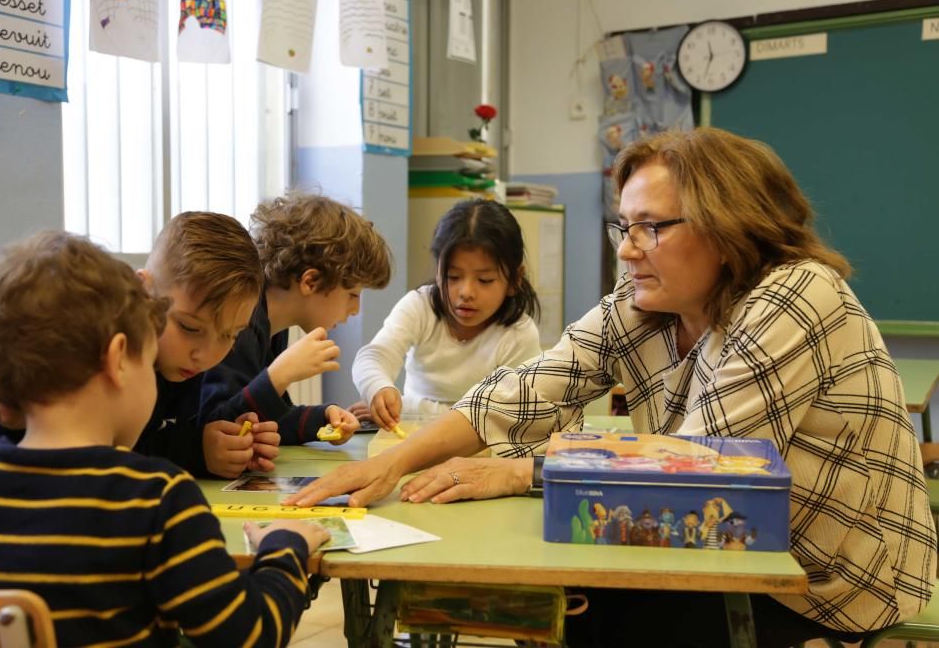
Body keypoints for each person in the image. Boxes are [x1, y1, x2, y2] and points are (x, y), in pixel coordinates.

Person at [290, 127, 937, 646]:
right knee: (570, 606)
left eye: (650, 227)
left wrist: (521, 471)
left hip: (829, 583)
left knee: (599, 615)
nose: (628, 250)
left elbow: (701, 472)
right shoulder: (645, 300)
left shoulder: (793, 296)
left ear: (726, 224)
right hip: (721, 557)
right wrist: (392, 464)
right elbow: (527, 388)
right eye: (623, 227)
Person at [0, 231, 329, 646]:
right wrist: (285, 548)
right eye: (147, 361)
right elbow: (251, 634)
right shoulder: (158, 499)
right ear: (118, 359)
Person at [0, 212, 269, 479]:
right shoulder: (87, 358)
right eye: (188, 327)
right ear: (144, 288)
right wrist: (195, 451)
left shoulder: (180, 361)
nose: (205, 354)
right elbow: (93, 455)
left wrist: (233, 440)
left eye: (231, 335)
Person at [200, 193, 393, 476]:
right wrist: (279, 375)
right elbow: (220, 427)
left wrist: (323, 419)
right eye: (352, 294)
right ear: (310, 281)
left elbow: (264, 419)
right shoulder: (243, 321)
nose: (355, 309)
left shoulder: (272, 325)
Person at [351, 198, 542, 429]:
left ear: (514, 280)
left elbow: (497, 416)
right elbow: (373, 357)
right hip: (413, 438)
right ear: (438, 269)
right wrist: (379, 388)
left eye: (485, 280)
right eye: (453, 277)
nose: (466, 292)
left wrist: (408, 406)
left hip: (480, 447)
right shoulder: (420, 306)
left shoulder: (518, 334)